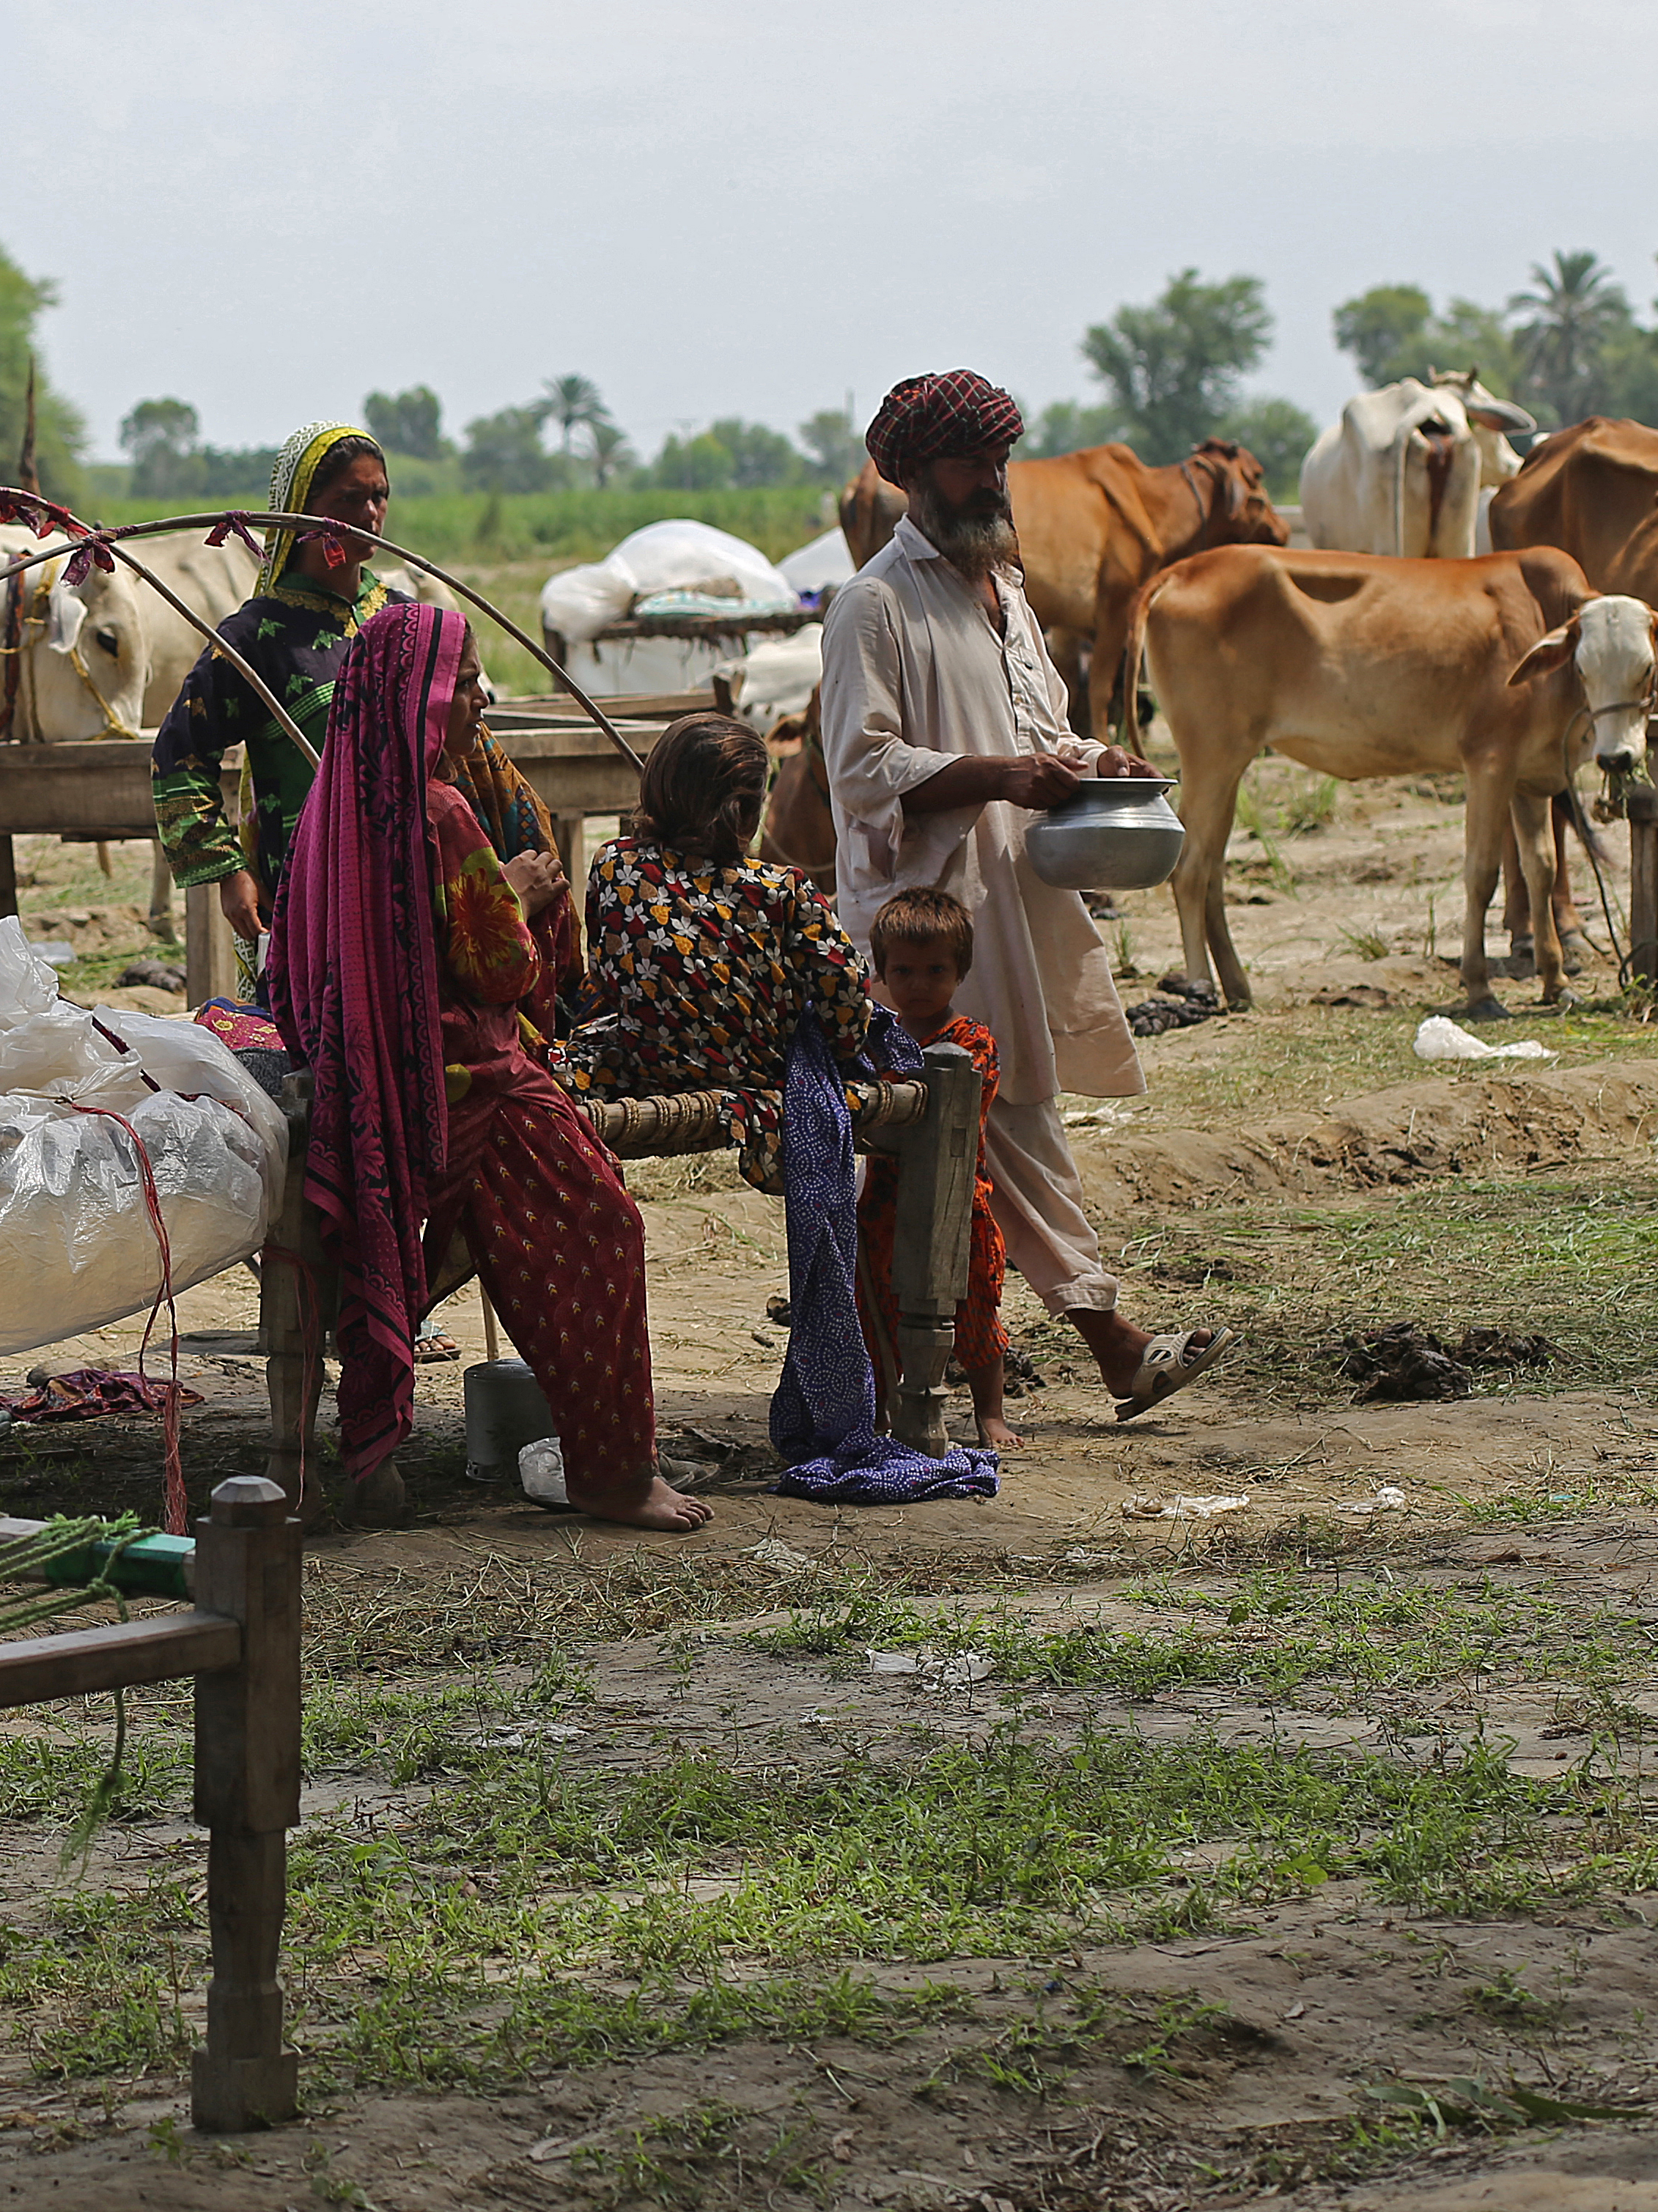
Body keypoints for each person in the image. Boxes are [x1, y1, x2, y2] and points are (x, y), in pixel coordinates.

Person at [821, 369, 1223, 1419]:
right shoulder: (873, 604)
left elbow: (1043, 736)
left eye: (999, 458)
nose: (991, 477)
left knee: (982, 1130)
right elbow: (862, 771)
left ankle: (900, 1359)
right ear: (908, 472)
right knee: (990, 1125)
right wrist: (1001, 775)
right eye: (969, 460)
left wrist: (1100, 763)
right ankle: (1107, 1338)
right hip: (925, 924)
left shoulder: (1003, 595)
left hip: (1015, 898)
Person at [271, 600, 711, 1533]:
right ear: (422, 701)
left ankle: (369, 1466)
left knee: (425, 1263)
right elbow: (498, 968)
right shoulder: (439, 809)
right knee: (602, 1229)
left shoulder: (331, 806)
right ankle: (610, 1473)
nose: (480, 701)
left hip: (374, 1085)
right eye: (465, 684)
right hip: (471, 1082)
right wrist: (524, 896)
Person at [568, 711, 876, 1179]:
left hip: (643, 1067)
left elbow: (607, 975)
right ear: (750, 812)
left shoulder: (616, 865)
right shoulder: (783, 890)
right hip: (762, 1077)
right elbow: (849, 992)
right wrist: (827, 1047)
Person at [150, 421, 397, 962]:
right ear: (300, 513)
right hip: (308, 887)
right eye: (349, 499)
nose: (371, 514)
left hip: (407, 877)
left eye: (379, 496)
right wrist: (227, 868)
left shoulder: (402, 619)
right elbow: (178, 755)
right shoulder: (255, 637)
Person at [859, 888, 1015, 1452]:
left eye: (935, 970)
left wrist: (889, 1104)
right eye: (903, 970)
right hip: (885, 1205)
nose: (919, 984)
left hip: (958, 1205)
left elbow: (952, 1111)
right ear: (880, 972)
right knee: (877, 1306)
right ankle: (882, 1410)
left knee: (975, 1309)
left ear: (960, 972)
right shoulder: (875, 1042)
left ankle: (989, 1414)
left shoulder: (972, 1042)